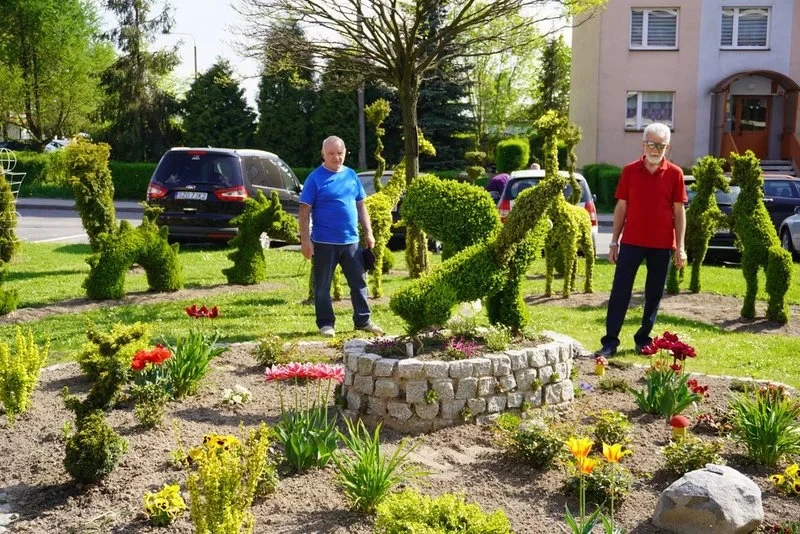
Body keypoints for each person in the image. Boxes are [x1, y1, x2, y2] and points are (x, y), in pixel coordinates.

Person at [595, 123, 687, 357]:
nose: (655, 150)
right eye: (651, 144)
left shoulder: (675, 173)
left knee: (654, 294)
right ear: (643, 144)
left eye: (660, 145)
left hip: (663, 244)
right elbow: (621, 207)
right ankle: (610, 342)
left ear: (667, 147)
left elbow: (679, 212)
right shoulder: (629, 171)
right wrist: (614, 241)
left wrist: (681, 248)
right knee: (620, 292)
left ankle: (643, 339)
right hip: (632, 242)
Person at [299, 136, 383, 337]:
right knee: (323, 286)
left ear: (345, 153)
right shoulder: (315, 178)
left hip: (351, 242)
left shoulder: (352, 176)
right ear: (323, 154)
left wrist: (369, 233)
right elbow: (303, 211)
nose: (336, 157)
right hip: (324, 242)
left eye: (340, 153)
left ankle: (363, 320)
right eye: (331, 154)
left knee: (359, 283)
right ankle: (326, 324)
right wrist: (305, 240)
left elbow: (361, 205)